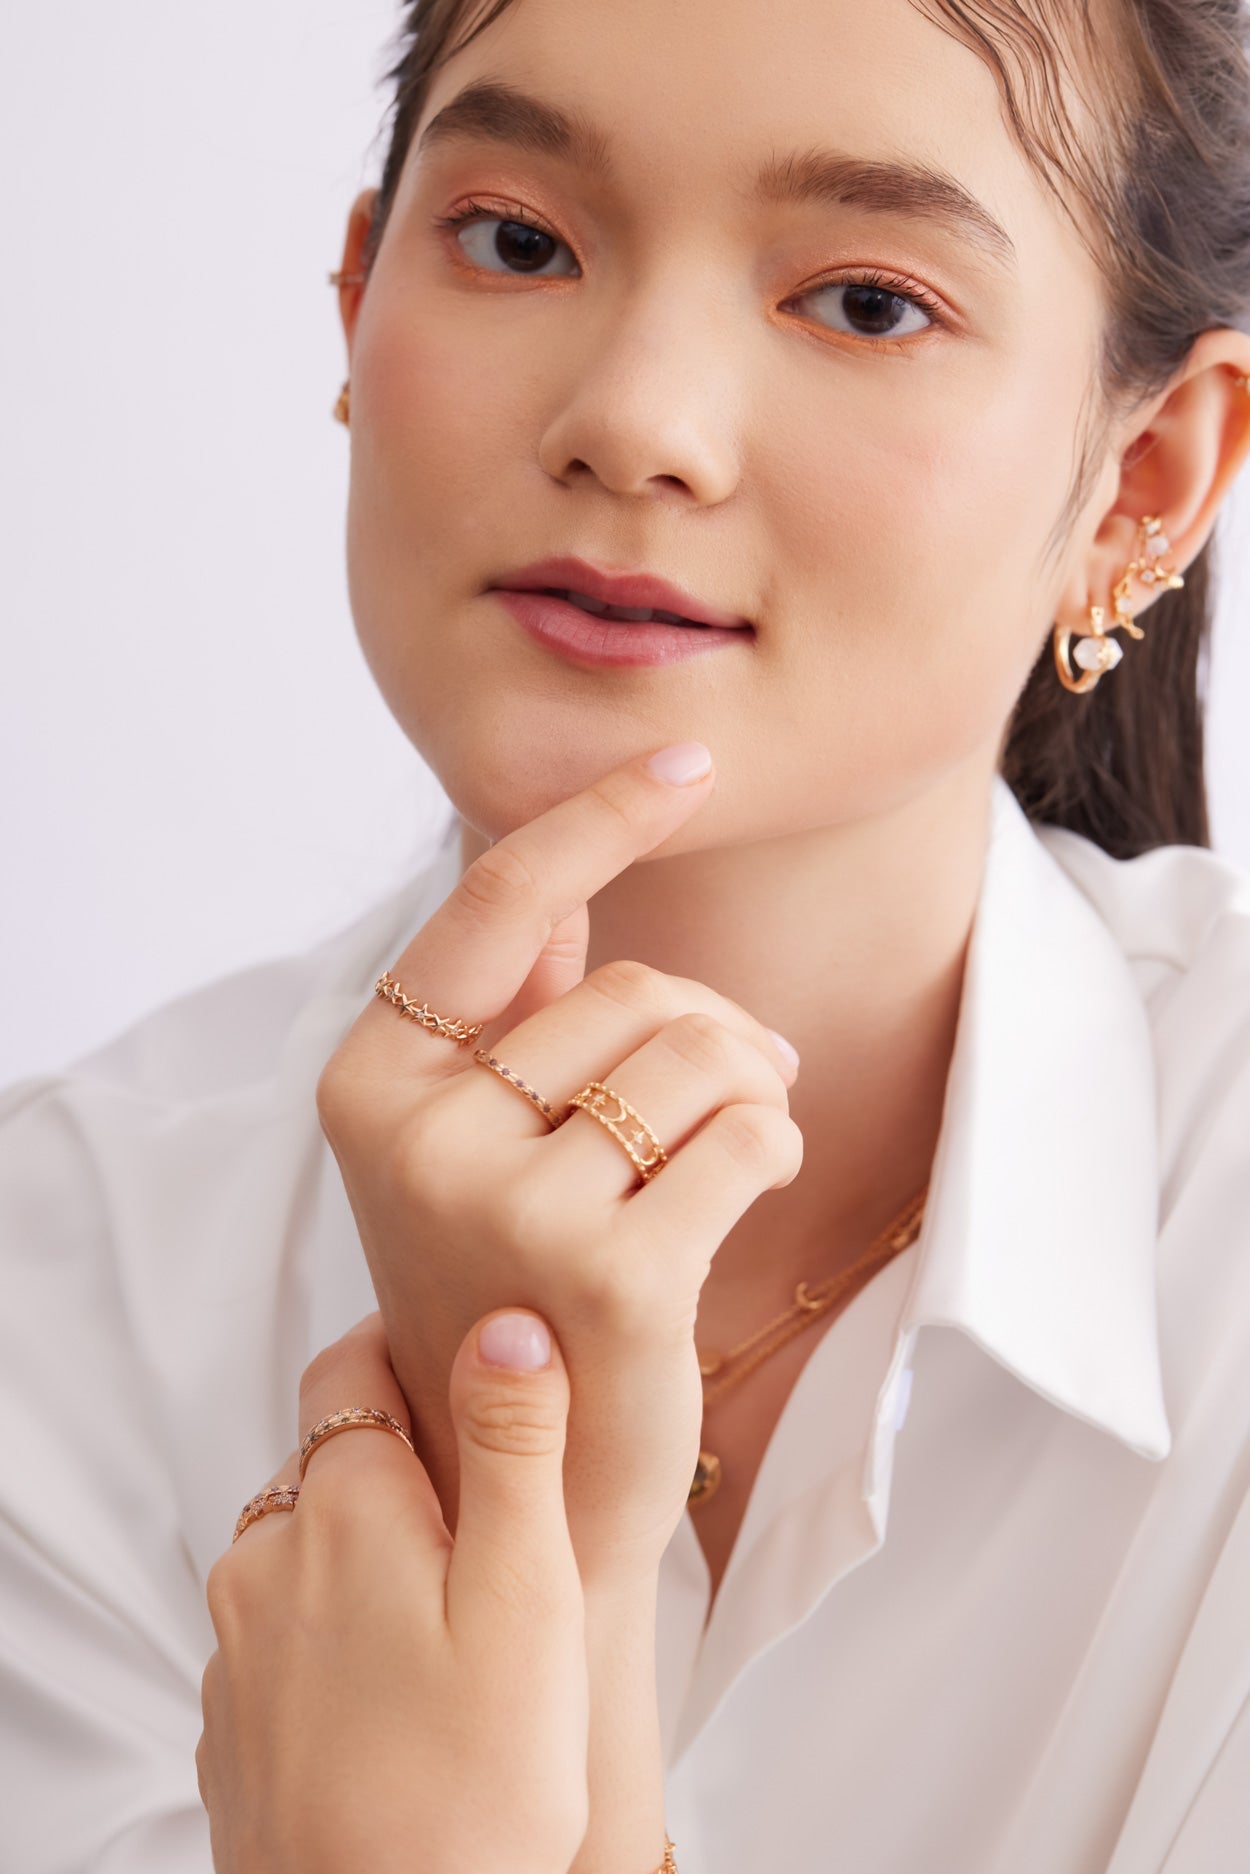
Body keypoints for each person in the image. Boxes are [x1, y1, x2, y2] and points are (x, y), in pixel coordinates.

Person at [4, 0, 1250, 1867]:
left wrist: (534, 1597)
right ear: (353, 300)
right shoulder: (57, 1279)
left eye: (866, 302)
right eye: (517, 241)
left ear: (1143, 477)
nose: (633, 422)